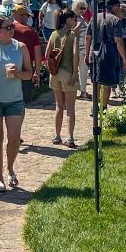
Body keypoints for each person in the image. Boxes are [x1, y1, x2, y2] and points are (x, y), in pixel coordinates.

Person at [0, 13, 32, 191]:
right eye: (8, 27)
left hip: (15, 99)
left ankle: (10, 167)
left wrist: (18, 73)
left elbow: (29, 74)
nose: (12, 30)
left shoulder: (21, 47)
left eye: (12, 27)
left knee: (14, 138)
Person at [85, 0, 126, 111]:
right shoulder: (115, 20)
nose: (119, 8)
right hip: (108, 53)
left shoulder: (94, 18)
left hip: (94, 53)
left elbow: (88, 37)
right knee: (107, 82)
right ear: (114, 6)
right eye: (118, 6)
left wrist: (86, 54)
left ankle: (95, 107)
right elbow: (118, 40)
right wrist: (124, 58)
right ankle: (103, 107)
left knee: (96, 81)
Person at [46, 8, 79, 147]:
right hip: (67, 71)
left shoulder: (54, 34)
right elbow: (75, 54)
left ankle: (57, 135)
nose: (75, 21)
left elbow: (47, 53)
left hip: (55, 73)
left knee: (59, 105)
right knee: (70, 108)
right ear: (68, 20)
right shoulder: (72, 35)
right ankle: (70, 137)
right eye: (74, 19)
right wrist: (75, 73)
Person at [10, 3, 43, 105]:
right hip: (26, 68)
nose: (28, 18)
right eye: (27, 16)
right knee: (22, 102)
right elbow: (37, 54)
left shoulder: (5, 29)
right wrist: (37, 72)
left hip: (7, 67)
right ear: (22, 16)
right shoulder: (31, 31)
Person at [71, 0, 91, 99]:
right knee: (76, 71)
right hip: (76, 49)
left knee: (83, 71)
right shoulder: (73, 18)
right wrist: (80, 24)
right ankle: (78, 91)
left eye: (84, 8)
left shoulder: (82, 18)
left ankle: (82, 91)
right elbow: (72, 32)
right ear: (75, 8)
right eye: (81, 8)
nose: (83, 10)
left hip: (83, 49)